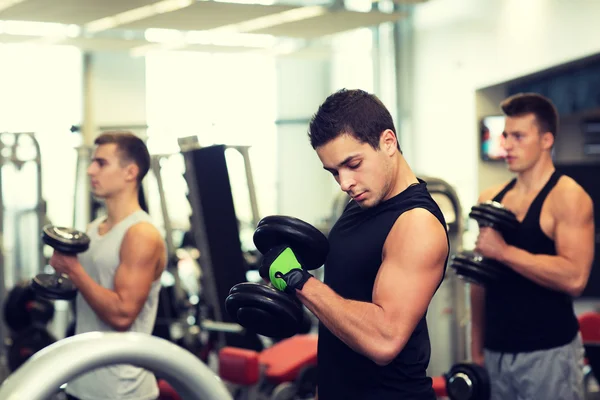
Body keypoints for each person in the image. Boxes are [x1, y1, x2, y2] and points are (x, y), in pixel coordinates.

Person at [262, 89, 450, 399]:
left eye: (353, 164)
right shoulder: (361, 202)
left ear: (388, 142)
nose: (345, 182)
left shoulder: (416, 223)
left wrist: (298, 280)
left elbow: (384, 341)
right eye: (334, 171)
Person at [471, 93, 595, 400]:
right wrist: (476, 349)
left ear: (546, 140)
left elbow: (575, 277)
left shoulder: (567, 196)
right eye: (505, 135)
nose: (507, 145)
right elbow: (480, 280)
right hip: (496, 350)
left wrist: (504, 252)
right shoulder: (491, 196)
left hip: (549, 352)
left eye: (518, 136)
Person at [50, 131, 167, 400]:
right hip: (81, 381)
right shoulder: (93, 229)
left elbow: (122, 315)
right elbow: (88, 292)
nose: (91, 170)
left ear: (130, 172)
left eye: (101, 163)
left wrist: (74, 270)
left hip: (121, 391)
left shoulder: (141, 234)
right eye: (92, 162)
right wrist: (62, 273)